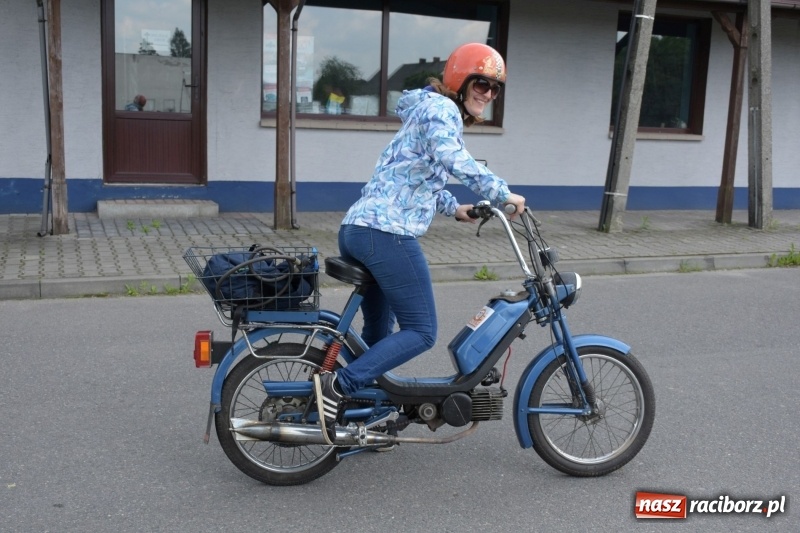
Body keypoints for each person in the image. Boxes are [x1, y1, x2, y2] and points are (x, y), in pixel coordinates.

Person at [313, 42, 526, 444]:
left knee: (378, 332)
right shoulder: (443, 111)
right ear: (460, 81)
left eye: (495, 88)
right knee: (422, 330)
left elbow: (412, 172)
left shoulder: (426, 110)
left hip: (359, 230)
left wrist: (454, 207)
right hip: (385, 233)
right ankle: (338, 387)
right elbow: (453, 159)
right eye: (482, 83)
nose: (488, 94)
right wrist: (502, 194)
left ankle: (365, 414)